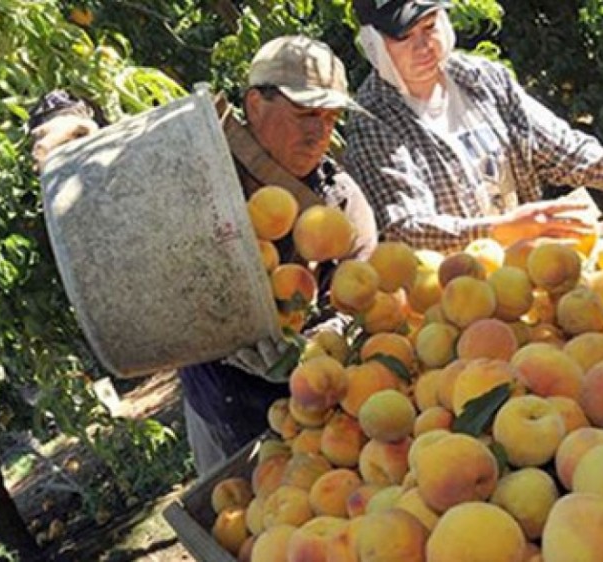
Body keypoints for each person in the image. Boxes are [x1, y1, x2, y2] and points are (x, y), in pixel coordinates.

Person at [29, 35, 377, 476]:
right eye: (306, 112)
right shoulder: (195, 169)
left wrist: (317, 343)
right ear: (254, 105)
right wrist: (64, 119)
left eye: (331, 117)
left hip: (313, 411)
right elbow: (114, 170)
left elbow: (362, 304)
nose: (319, 131)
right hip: (218, 403)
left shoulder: (341, 204)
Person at [345, 0, 603, 252]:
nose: (424, 46)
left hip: (532, 275)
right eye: (405, 38)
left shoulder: (481, 78)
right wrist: (496, 230)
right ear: (374, 45)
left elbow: (562, 150)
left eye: (429, 27)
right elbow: (405, 228)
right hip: (452, 300)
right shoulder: (374, 119)